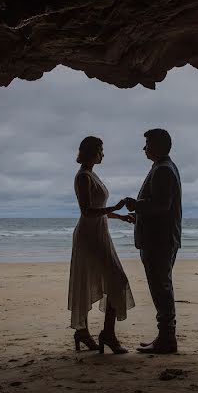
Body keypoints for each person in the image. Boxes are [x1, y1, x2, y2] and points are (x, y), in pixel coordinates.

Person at [68, 136, 136, 354]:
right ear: (90, 152)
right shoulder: (83, 178)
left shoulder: (92, 175)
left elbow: (99, 209)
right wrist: (114, 207)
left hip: (99, 233)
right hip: (89, 236)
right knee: (112, 280)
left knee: (112, 281)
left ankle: (99, 333)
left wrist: (120, 216)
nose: (103, 154)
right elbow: (87, 212)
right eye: (100, 150)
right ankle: (94, 332)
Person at [123, 128, 182, 354]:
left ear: (158, 146)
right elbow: (161, 206)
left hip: (159, 241)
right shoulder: (163, 167)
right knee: (161, 288)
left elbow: (161, 205)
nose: (144, 148)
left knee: (161, 289)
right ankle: (165, 336)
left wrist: (135, 205)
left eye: (147, 144)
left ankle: (167, 339)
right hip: (162, 238)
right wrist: (138, 216)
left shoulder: (163, 169)